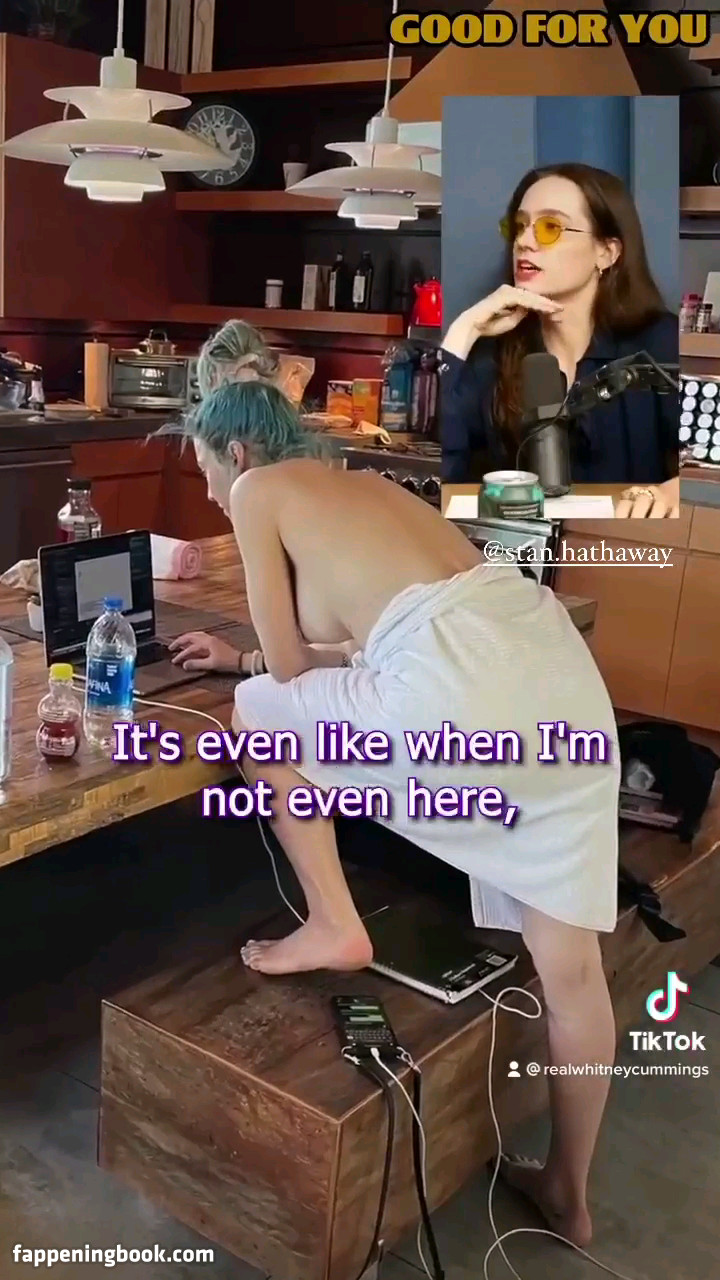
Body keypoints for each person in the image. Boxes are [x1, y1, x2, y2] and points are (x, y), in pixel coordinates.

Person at [170, 377, 621, 1249]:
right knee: (570, 970)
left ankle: (333, 922)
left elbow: (290, 674)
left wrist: (250, 669)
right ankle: (570, 1192)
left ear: (237, 453)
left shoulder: (259, 490)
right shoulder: (365, 484)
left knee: (258, 713)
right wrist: (247, 656)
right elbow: (379, 634)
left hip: (460, 694)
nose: (214, 495)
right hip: (556, 682)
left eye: (207, 474)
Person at [441, 162, 679, 516]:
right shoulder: (492, 355)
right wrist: (463, 332)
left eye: (550, 227)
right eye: (519, 226)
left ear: (607, 252)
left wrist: (676, 491)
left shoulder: (662, 344)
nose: (524, 241)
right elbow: (441, 478)